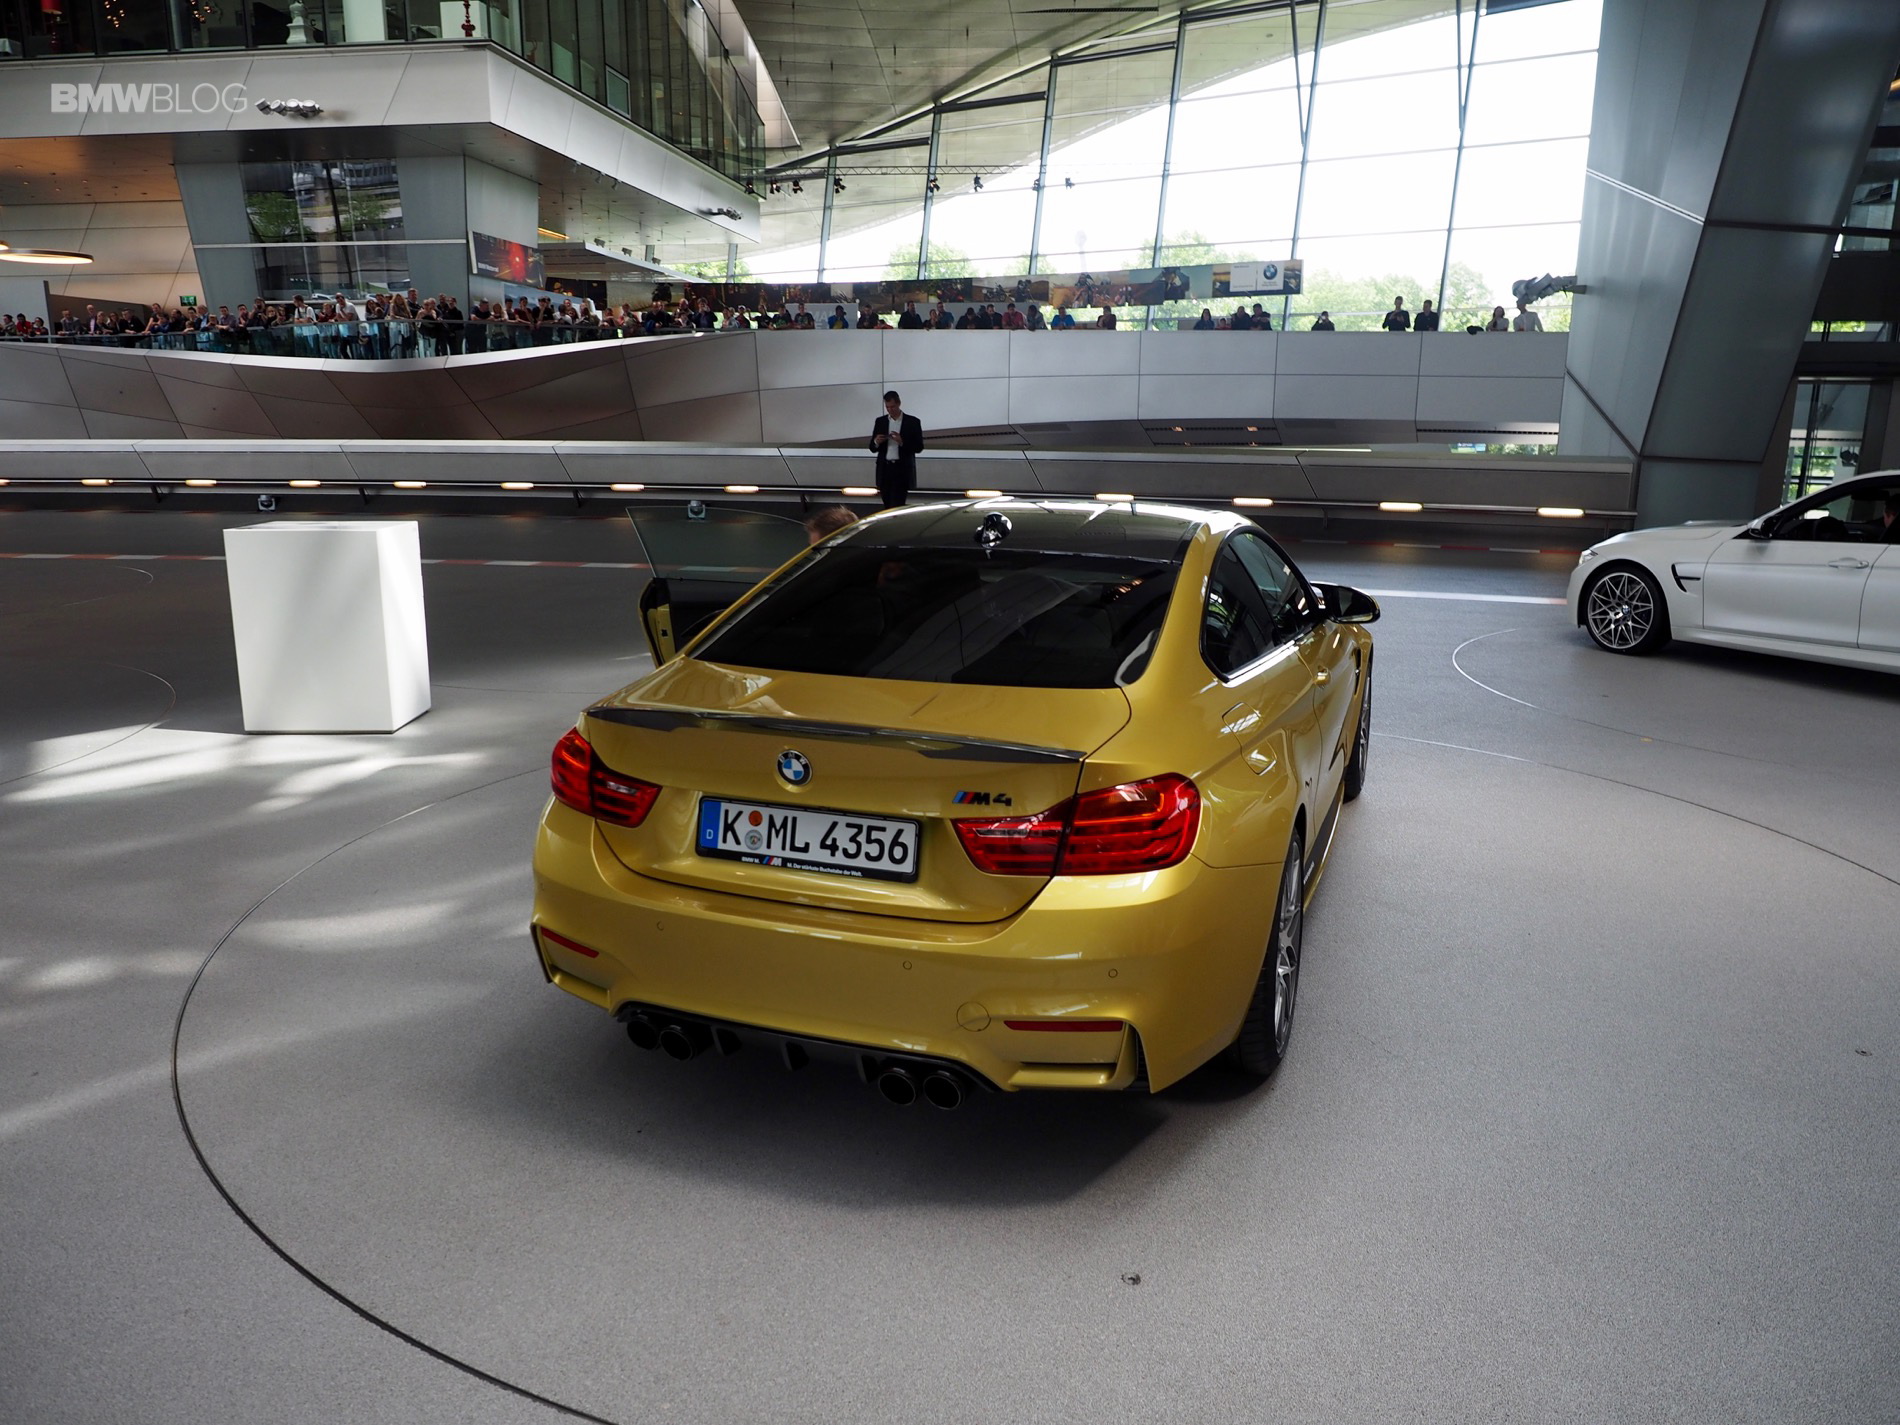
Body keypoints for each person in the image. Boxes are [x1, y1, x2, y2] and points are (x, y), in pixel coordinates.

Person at [868, 389, 923, 510]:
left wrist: (902, 441)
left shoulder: (912, 422)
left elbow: (919, 447)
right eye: (887, 407)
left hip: (901, 469)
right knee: (887, 504)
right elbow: (872, 447)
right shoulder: (881, 421)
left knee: (897, 504)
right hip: (885, 468)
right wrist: (877, 441)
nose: (890, 410)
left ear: (899, 404)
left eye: (892, 407)